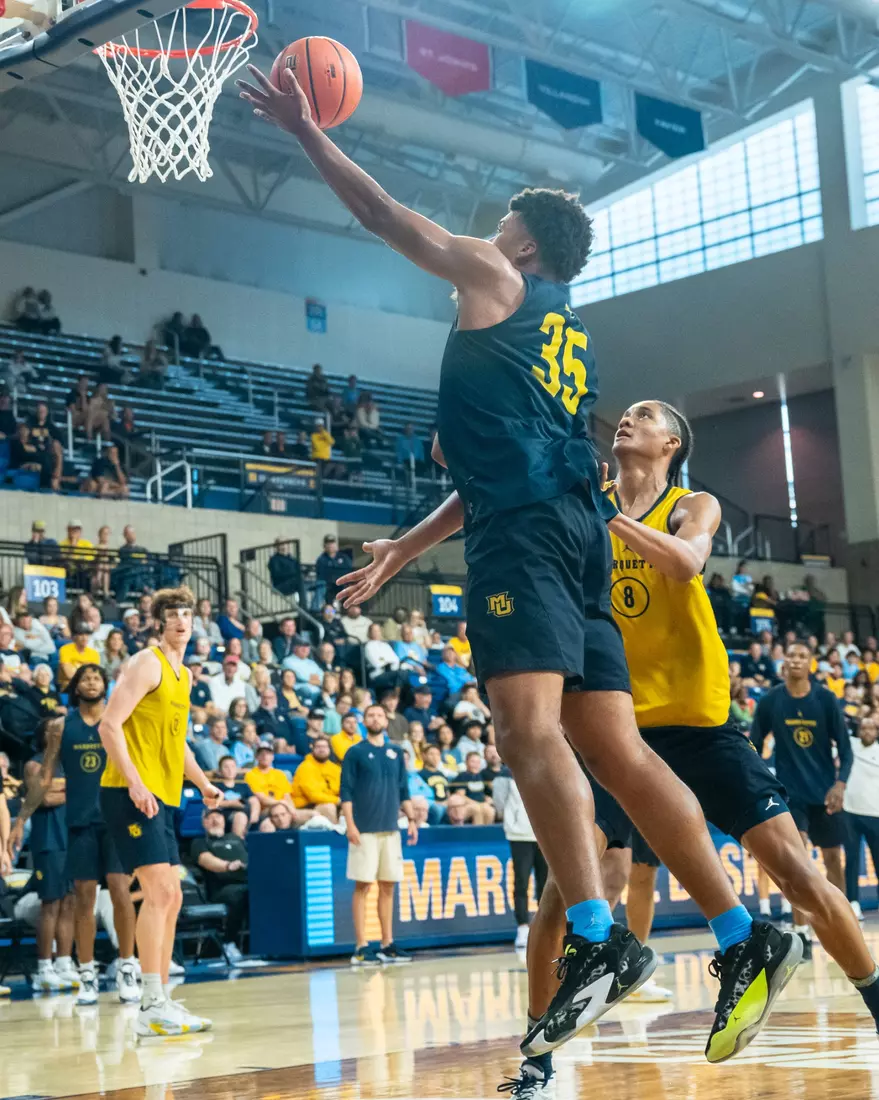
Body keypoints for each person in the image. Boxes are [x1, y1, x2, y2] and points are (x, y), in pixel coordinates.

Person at [242, 63, 793, 1062]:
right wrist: (407, 545)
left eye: (499, 223)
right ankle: (738, 929)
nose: (486, 233)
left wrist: (305, 131)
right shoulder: (564, 334)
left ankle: (597, 935)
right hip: (574, 532)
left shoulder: (496, 280)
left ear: (525, 242)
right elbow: (517, 467)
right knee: (616, 750)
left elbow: (382, 215)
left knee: (525, 728)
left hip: (530, 541)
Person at [98, 586, 223, 1036]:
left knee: (172, 896)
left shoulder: (183, 676)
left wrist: (204, 783)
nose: (181, 620)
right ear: (159, 622)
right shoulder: (146, 663)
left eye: (187, 613)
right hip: (128, 791)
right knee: (160, 892)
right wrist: (134, 781)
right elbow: (109, 725)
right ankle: (150, 1002)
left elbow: (177, 740)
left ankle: (162, 999)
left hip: (163, 795)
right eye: (172, 614)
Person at [8, 666, 139, 1004]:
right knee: (83, 898)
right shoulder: (61, 727)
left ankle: (127, 966)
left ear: (106, 686)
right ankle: (87, 974)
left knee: (121, 891)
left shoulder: (120, 720)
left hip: (116, 820)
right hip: (80, 823)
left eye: (97, 677)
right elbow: (44, 778)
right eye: (85, 677)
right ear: (76, 687)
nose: (91, 682)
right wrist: (21, 819)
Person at [751, 640, 854, 960]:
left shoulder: (825, 699)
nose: (795, 660)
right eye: (791, 655)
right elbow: (753, 743)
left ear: (810, 663)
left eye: (802, 655)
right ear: (784, 662)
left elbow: (846, 750)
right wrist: (762, 781)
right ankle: (802, 932)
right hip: (789, 795)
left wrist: (840, 785)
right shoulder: (771, 701)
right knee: (796, 863)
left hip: (824, 794)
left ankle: (843, 925)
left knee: (833, 860)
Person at [340, 703, 417, 965]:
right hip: (364, 830)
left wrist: (412, 820)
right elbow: (346, 792)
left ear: (386, 721)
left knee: (388, 885)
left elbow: (403, 790)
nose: (375, 718)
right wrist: (350, 825)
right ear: (364, 721)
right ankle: (361, 946)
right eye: (370, 715)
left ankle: (387, 943)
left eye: (379, 715)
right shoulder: (355, 752)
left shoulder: (396, 753)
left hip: (391, 829)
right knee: (362, 885)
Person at [10, 717, 77, 992]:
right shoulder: (34, 764)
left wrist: (61, 787)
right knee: (50, 904)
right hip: (49, 840)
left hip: (73, 839)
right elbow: (44, 798)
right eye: (53, 730)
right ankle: (43, 967)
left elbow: (88, 790)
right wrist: (72, 789)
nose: (59, 733)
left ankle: (64, 962)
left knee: (70, 903)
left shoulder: (71, 763)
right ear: (44, 735)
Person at [493, 768, 546, 949]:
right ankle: (523, 927)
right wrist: (513, 819)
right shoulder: (505, 773)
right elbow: (499, 804)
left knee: (545, 883)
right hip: (519, 835)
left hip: (544, 834)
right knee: (521, 882)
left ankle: (545, 926)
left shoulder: (545, 765)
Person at [191, 808, 250, 965]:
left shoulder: (236, 838)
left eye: (218, 816)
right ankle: (228, 942)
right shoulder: (200, 842)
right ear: (204, 823)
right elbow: (206, 860)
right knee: (239, 893)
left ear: (224, 821)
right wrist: (228, 866)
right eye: (210, 817)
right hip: (221, 889)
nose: (215, 820)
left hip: (248, 882)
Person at [291, 736, 341, 822]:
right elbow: (313, 796)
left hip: (332, 802)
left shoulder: (336, 768)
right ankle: (334, 830)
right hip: (307, 806)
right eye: (318, 747)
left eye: (324, 747)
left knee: (350, 806)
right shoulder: (305, 767)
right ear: (312, 749)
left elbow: (344, 788)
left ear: (329, 750)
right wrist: (337, 800)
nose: (322, 750)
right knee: (328, 807)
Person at [58, 627, 101, 692]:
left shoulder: (94, 653)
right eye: (81, 635)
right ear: (75, 637)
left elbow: (94, 675)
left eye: (86, 635)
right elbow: (69, 674)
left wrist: (75, 670)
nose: (84, 638)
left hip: (87, 685)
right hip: (69, 686)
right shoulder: (65, 649)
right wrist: (86, 674)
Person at [313, 534, 349, 608]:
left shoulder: (344, 557)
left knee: (352, 604)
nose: (330, 545)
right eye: (328, 543)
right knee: (328, 605)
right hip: (329, 587)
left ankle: (350, 611)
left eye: (332, 543)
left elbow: (348, 570)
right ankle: (328, 612)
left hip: (343, 585)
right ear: (324, 546)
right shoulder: (321, 559)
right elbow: (321, 575)